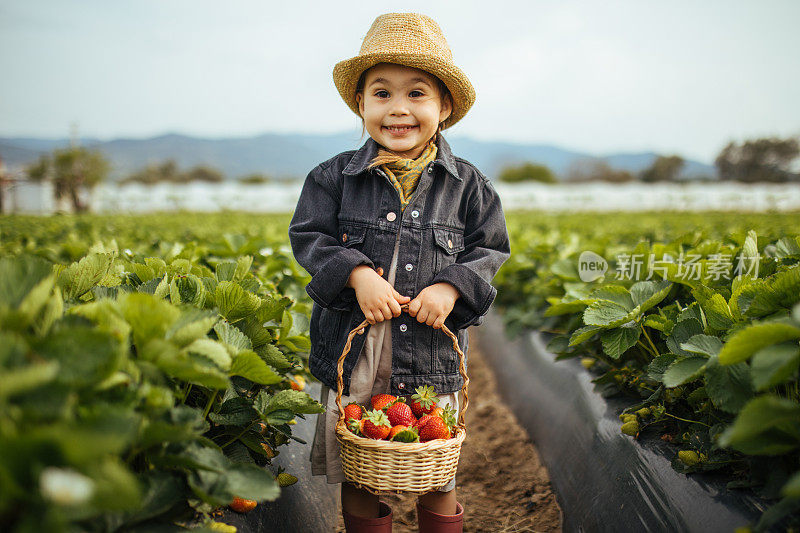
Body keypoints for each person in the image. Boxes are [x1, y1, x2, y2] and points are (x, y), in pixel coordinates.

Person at [288, 12, 510, 533]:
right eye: (381, 94)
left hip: (432, 353)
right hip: (356, 350)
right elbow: (309, 238)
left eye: (417, 94)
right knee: (361, 469)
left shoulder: (468, 186)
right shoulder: (332, 178)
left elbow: (490, 249)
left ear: (444, 106)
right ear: (361, 104)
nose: (398, 109)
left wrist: (452, 286)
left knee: (438, 472)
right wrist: (358, 275)